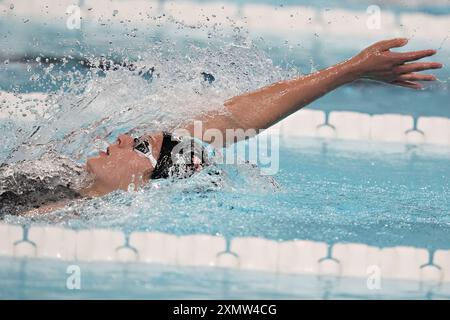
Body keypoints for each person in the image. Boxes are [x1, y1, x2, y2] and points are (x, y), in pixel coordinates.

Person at [0, 38, 442, 216]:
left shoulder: (70, 220)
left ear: (151, 183)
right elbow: (231, 119)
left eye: (138, 146)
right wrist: (349, 70)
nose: (117, 138)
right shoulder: (58, 175)